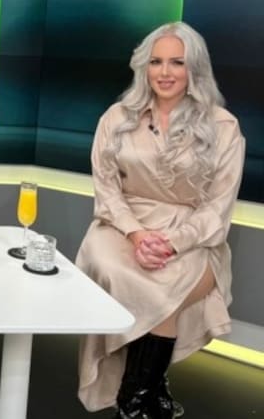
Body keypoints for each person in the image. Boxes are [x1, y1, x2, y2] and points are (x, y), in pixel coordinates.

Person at [76, 22, 245, 418]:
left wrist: (172, 242)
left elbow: (217, 209)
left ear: (195, 70)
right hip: (121, 225)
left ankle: (133, 399)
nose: (165, 72)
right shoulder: (117, 117)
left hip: (191, 235)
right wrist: (137, 234)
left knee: (164, 285)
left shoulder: (222, 126)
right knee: (120, 270)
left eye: (177, 62)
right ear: (143, 67)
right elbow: (107, 190)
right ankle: (148, 393)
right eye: (156, 62)